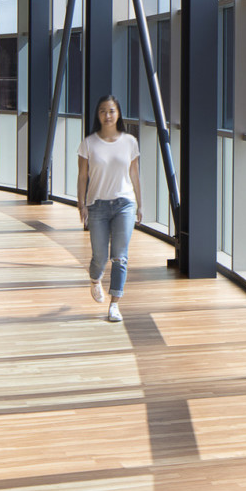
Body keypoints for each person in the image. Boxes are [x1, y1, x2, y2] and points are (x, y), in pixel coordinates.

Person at [77, 94, 142, 322]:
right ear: (98, 115)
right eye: (103, 111)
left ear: (118, 114)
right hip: (97, 206)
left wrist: (140, 205)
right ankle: (95, 278)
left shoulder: (130, 142)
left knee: (120, 257)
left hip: (125, 203)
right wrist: (81, 204)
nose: (107, 115)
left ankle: (115, 304)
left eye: (112, 111)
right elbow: (83, 176)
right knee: (100, 256)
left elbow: (134, 174)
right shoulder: (89, 143)